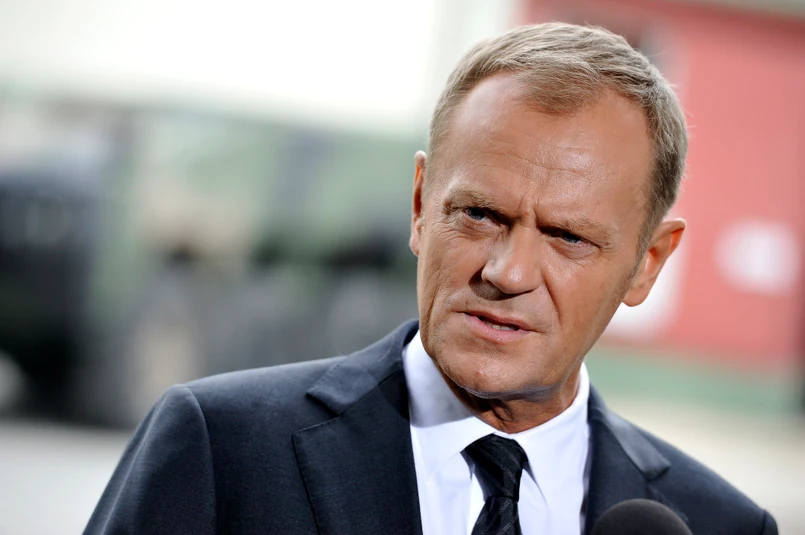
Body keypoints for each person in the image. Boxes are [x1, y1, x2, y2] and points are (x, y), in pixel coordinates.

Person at [84, 22, 777, 535]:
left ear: (646, 263)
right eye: (479, 214)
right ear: (420, 205)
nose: (507, 272)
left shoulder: (721, 526)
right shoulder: (221, 448)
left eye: (567, 237)